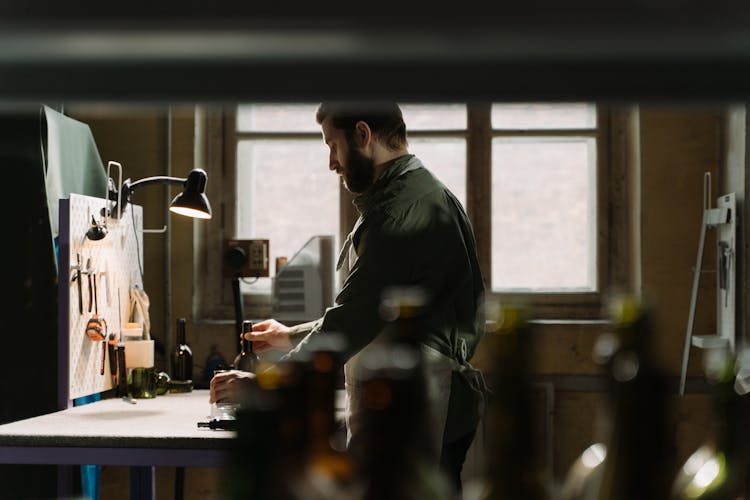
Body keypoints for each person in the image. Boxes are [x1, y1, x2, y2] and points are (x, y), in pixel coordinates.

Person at [211, 102, 486, 494]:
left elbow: (352, 321)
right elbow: (373, 311)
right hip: (421, 408)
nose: (331, 163)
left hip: (419, 413)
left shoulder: (398, 211)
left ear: (362, 135)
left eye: (333, 146)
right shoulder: (417, 192)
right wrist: (291, 335)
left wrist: (264, 387)